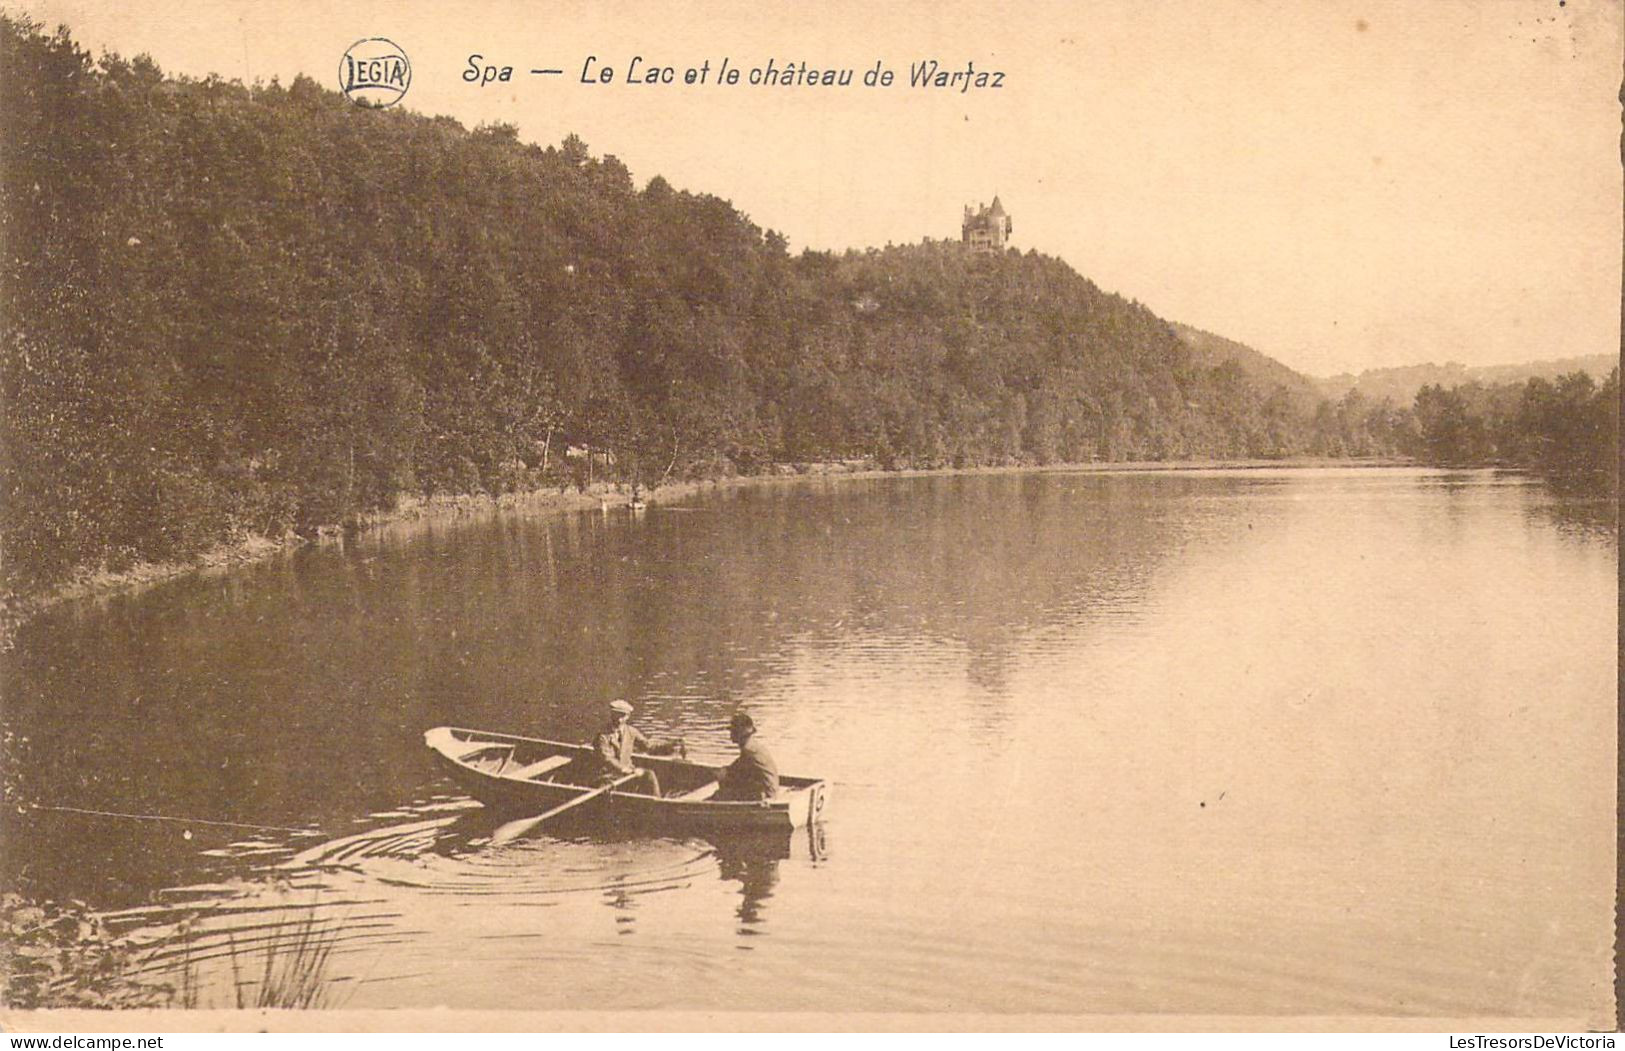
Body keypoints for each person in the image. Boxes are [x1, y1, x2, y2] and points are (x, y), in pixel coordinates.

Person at [592, 700, 682, 795]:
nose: (619, 720)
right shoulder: (602, 736)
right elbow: (607, 758)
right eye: (616, 715)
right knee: (605, 789)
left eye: (622, 716)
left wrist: (671, 746)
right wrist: (624, 769)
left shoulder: (631, 732)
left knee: (649, 774)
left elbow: (649, 747)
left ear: (627, 717)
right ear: (611, 715)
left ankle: (657, 803)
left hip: (628, 773)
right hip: (608, 776)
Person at [713, 711, 780, 802]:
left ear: (739, 733)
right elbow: (737, 766)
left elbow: (736, 771)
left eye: (733, 731)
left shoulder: (748, 750)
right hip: (770, 788)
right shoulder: (752, 746)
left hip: (766, 793)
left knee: (721, 793)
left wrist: (722, 775)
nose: (730, 735)